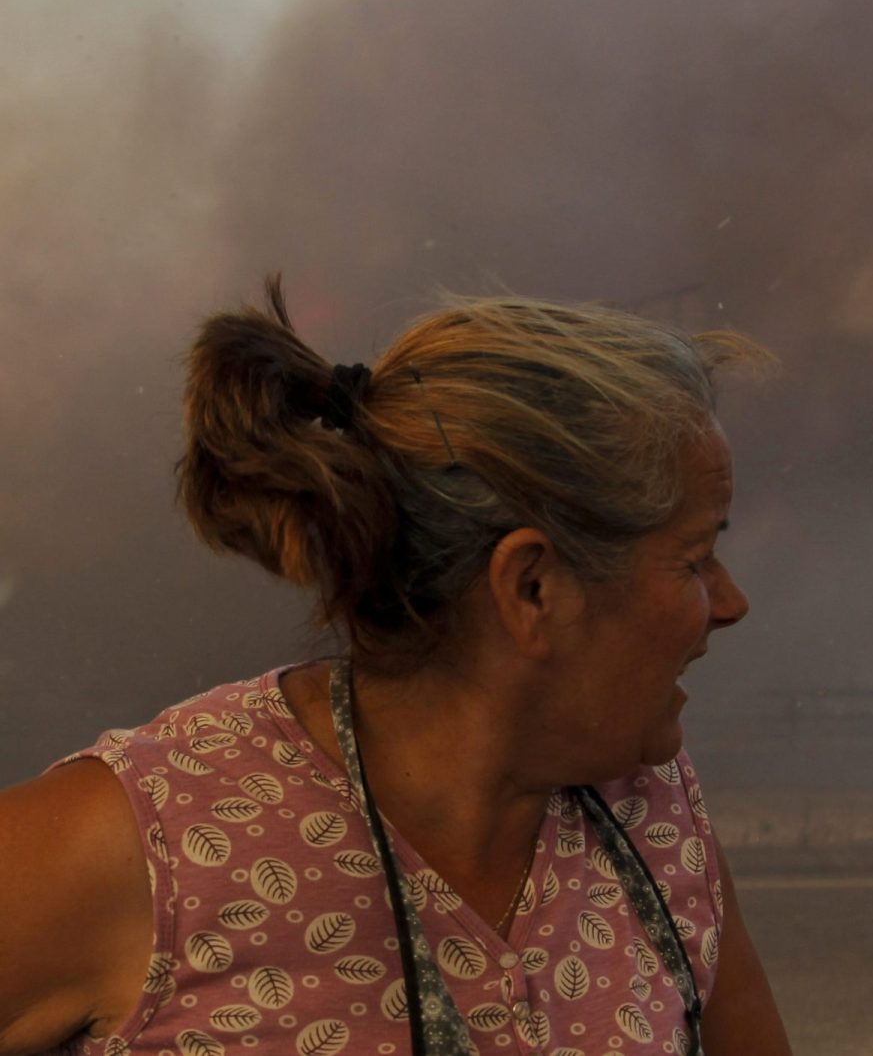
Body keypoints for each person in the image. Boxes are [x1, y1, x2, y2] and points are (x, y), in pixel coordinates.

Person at [0, 280, 792, 1056]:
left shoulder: (656, 820)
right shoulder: (144, 845)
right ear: (533, 587)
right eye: (693, 560)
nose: (729, 602)